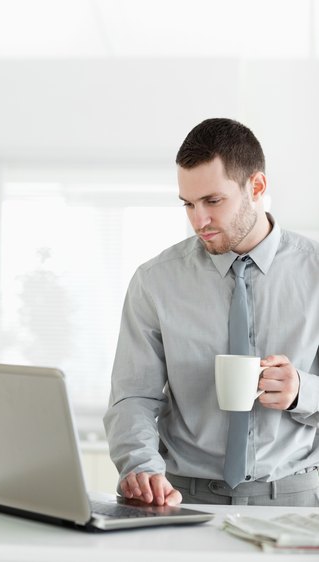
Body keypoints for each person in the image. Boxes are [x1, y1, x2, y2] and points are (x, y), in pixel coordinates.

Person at [103, 118, 319, 507]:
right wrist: (142, 467)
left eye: (213, 201)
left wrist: (303, 391)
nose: (198, 220)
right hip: (182, 500)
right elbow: (133, 397)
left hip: (295, 502)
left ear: (256, 187)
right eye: (188, 204)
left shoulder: (315, 273)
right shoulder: (155, 281)